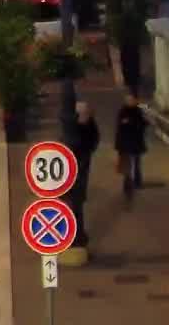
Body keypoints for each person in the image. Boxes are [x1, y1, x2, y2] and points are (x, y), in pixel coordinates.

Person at [64, 100, 101, 245]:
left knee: (77, 203)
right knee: (74, 203)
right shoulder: (75, 128)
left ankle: (78, 235)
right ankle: (75, 234)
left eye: (85, 114)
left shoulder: (87, 127)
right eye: (81, 114)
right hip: (74, 169)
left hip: (80, 168)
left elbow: (93, 141)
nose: (83, 117)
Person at [115, 93, 149, 202]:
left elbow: (144, 122)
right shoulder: (123, 112)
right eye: (128, 100)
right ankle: (128, 184)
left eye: (132, 100)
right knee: (128, 166)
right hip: (126, 145)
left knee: (136, 163)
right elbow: (123, 128)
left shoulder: (138, 110)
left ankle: (137, 182)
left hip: (134, 144)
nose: (130, 102)